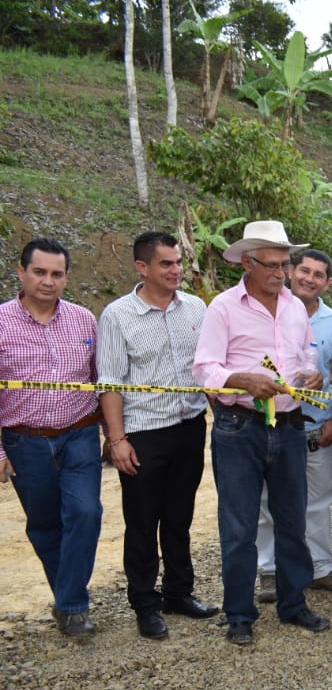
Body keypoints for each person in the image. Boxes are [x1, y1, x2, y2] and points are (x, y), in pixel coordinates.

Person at [193, 220, 331, 645]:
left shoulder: (293, 306)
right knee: (239, 526)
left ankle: (294, 604)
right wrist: (242, 380)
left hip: (290, 426)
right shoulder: (223, 307)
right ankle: (239, 613)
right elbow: (204, 369)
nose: (280, 273)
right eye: (271, 265)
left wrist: (312, 373)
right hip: (240, 428)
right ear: (247, 263)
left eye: (284, 264)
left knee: (292, 520)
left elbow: (306, 352)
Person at [98, 231, 217, 640]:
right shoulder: (117, 315)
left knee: (181, 516)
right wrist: (117, 440)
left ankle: (179, 593)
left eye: (179, 262)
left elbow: (209, 369)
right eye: (166, 263)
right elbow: (109, 382)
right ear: (142, 267)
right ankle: (145, 604)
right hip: (144, 433)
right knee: (143, 522)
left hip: (189, 427)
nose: (176, 270)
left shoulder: (197, 309)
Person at [0, 239, 103, 638]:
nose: (48, 281)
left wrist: (114, 434)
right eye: (39, 272)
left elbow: (100, 382)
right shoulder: (3, 321)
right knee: (44, 524)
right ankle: (69, 598)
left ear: (66, 277)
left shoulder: (83, 320)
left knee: (86, 512)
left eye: (56, 274)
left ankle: (73, 605)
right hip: (24, 440)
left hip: (78, 433)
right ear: (21, 272)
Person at [255, 249, 332, 601]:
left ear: (328, 283)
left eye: (318, 274)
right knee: (266, 501)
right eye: (304, 270)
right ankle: (268, 570)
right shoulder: (265, 311)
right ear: (291, 272)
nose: (309, 278)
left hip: (315, 428)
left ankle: (321, 566)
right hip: (268, 423)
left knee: (319, 500)